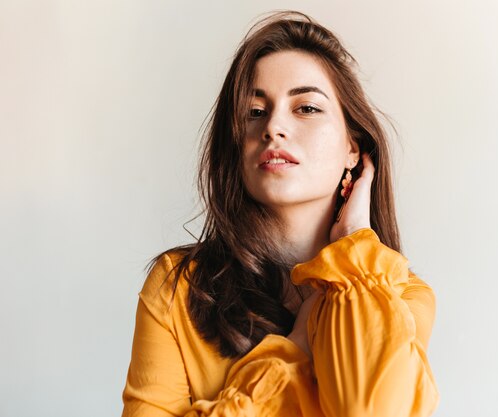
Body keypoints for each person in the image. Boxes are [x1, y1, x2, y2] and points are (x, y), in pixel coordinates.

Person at [121, 10, 439, 417]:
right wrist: (297, 348)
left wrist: (355, 244)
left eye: (305, 108)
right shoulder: (178, 288)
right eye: (255, 112)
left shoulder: (400, 294)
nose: (273, 127)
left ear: (353, 148)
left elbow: (371, 410)